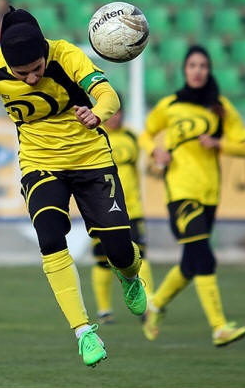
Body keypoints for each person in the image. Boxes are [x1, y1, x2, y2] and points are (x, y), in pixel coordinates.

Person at [0, 7, 147, 367]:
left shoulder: (67, 55)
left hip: (90, 160)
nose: (31, 79)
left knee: (119, 249)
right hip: (39, 163)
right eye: (22, 73)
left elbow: (110, 96)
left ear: (44, 52)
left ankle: (129, 275)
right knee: (50, 237)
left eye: (37, 69)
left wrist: (97, 113)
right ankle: (84, 332)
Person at [139, 45, 245, 347]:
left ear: (209, 70)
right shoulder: (170, 105)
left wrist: (218, 144)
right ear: (184, 70)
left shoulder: (220, 107)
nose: (197, 70)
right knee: (204, 256)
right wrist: (155, 151)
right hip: (180, 190)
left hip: (209, 192)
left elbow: (243, 146)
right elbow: (146, 133)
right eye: (192, 65)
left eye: (203, 65)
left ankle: (155, 306)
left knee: (191, 263)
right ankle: (219, 327)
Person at [91, 100, 154, 325]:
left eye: (119, 112)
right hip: (101, 210)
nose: (115, 117)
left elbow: (145, 159)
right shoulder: (93, 135)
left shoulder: (132, 137)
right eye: (112, 113)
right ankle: (104, 310)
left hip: (132, 209)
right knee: (103, 260)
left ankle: (148, 305)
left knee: (140, 257)